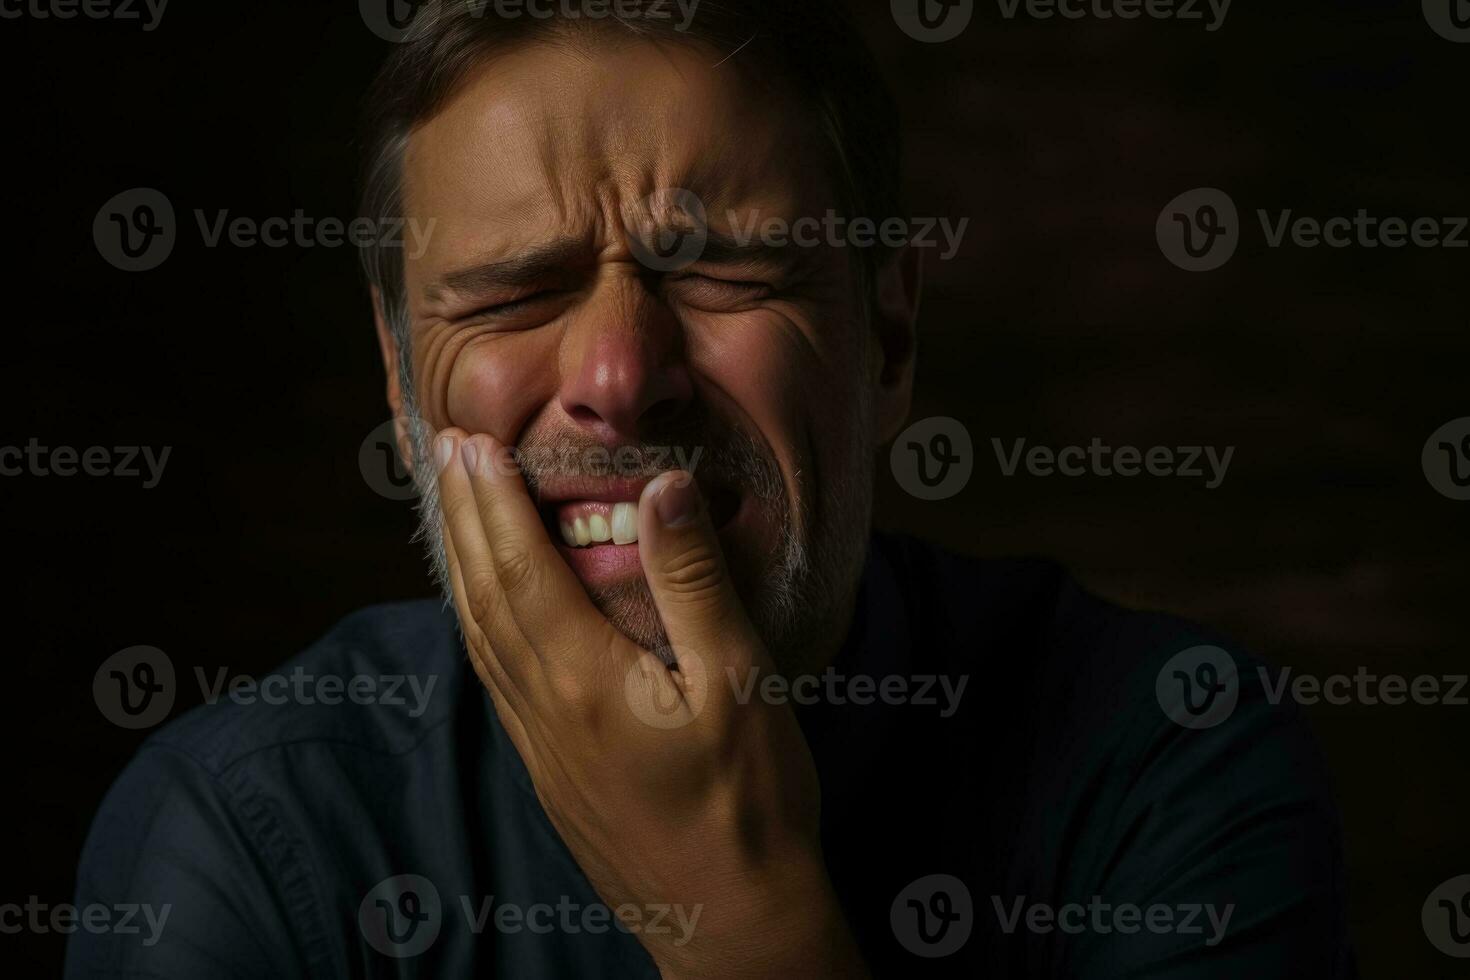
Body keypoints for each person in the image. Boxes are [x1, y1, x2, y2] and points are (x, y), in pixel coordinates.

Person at [68, 2, 1354, 975]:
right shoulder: (248, 835)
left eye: (726, 272)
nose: (620, 378)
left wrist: (741, 913)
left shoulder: (1167, 765)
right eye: (516, 293)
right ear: (401, 373)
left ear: (889, 336)